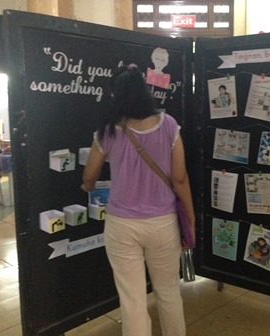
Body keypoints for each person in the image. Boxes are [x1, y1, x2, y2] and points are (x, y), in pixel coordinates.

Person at [81, 63, 195, 336]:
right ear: (145, 92)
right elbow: (179, 178)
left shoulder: (108, 131)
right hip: (162, 223)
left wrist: (87, 186)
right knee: (168, 292)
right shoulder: (168, 125)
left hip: (121, 225)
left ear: (116, 97)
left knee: (132, 301)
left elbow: (90, 175)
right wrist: (190, 218)